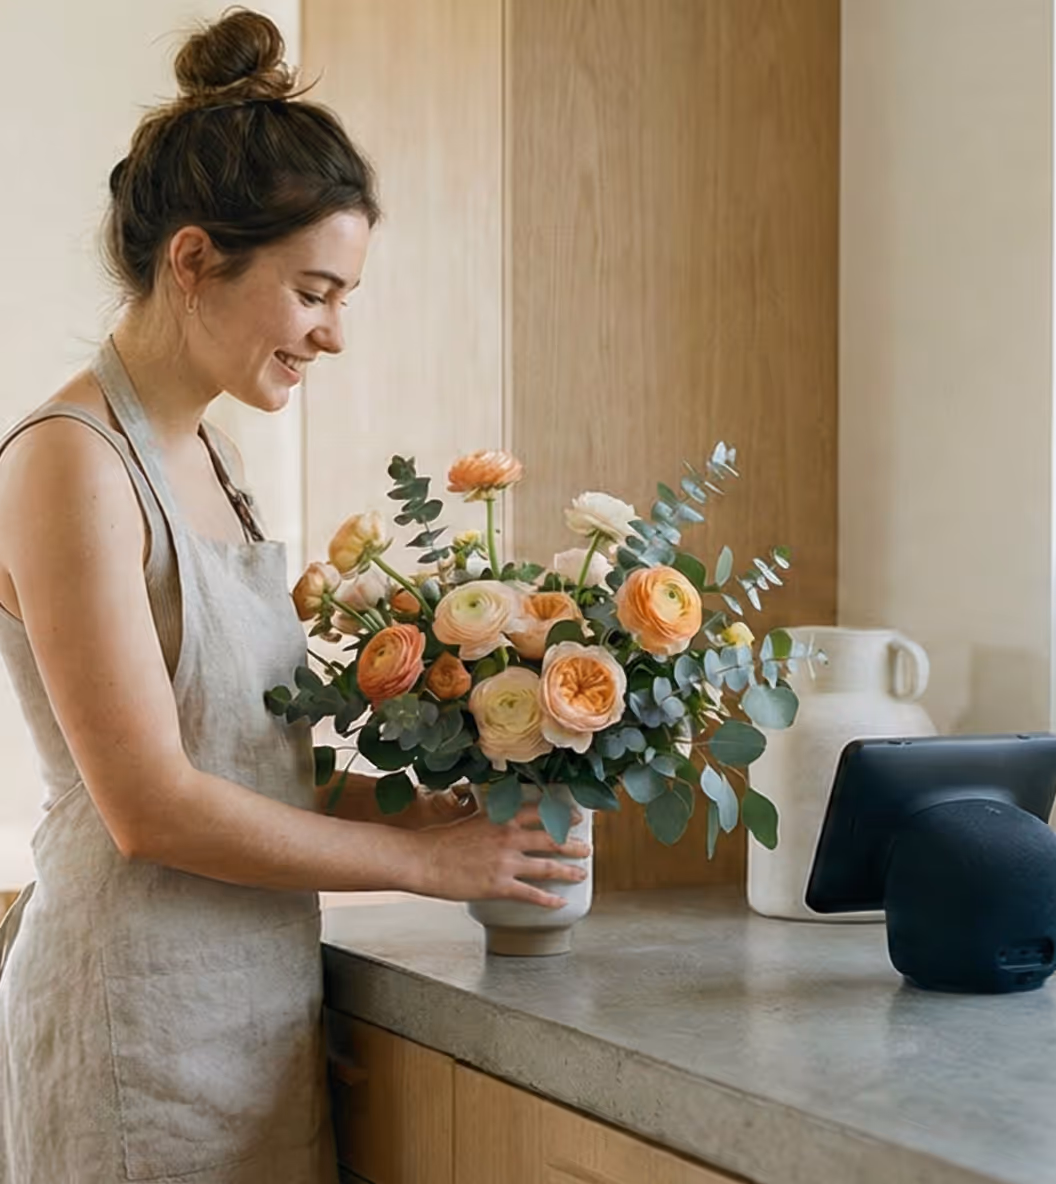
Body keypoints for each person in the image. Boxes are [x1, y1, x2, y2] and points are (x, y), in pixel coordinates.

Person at [0, 11, 589, 1182]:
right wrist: (431, 869)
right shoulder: (70, 460)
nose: (329, 334)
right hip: (131, 1016)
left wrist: (404, 808)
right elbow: (153, 806)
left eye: (345, 298)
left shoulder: (212, 456)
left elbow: (240, 755)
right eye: (313, 290)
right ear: (193, 259)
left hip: (251, 1003)